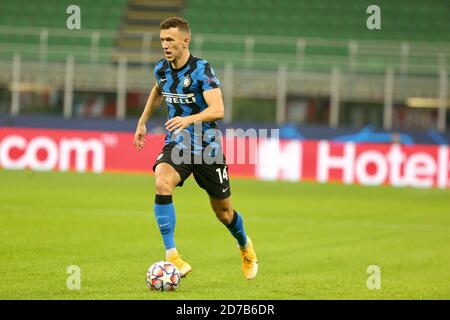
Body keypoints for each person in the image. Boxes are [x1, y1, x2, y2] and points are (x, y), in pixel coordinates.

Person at [133, 17, 258, 280]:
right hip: (177, 144)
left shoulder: (202, 70)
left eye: (170, 40)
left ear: (185, 40)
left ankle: (245, 245)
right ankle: (173, 256)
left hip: (207, 147)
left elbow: (218, 110)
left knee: (224, 213)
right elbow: (158, 90)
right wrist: (142, 121)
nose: (165, 45)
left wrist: (188, 119)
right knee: (162, 182)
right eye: (162, 40)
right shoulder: (161, 69)